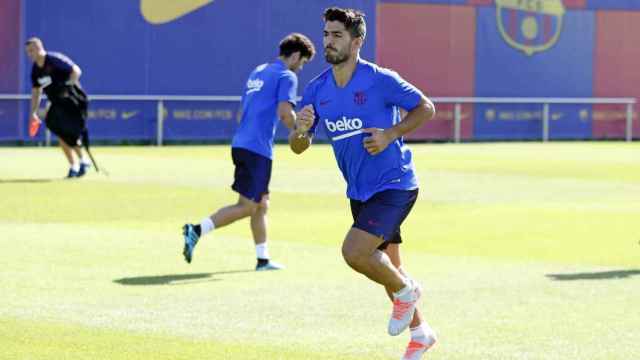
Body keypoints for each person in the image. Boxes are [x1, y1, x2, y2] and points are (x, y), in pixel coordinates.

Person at [289, 8, 437, 359]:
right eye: (326, 34)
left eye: (337, 35)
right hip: (360, 191)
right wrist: (299, 130)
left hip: (396, 184)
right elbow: (299, 147)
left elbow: (425, 108)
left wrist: (390, 134)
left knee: (356, 252)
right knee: (387, 265)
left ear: (357, 42)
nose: (329, 41)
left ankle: (408, 291)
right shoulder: (316, 89)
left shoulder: (379, 79)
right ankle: (420, 333)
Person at [182, 33, 316, 271]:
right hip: (258, 149)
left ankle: (262, 259)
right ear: (296, 56)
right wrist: (301, 130)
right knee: (248, 206)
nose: (300, 68)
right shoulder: (287, 76)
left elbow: (240, 111)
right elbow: (286, 113)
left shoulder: (259, 71)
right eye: (303, 63)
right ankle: (197, 230)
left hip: (242, 143)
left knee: (261, 204)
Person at [26, 37, 91, 178]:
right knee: (59, 131)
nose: (29, 54)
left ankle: (82, 161)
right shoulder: (36, 71)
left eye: (31, 50)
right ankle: (76, 164)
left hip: (72, 101)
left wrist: (67, 86)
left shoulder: (54, 60)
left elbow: (76, 71)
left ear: (38, 48)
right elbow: (36, 91)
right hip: (57, 103)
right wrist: (33, 113)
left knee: (70, 133)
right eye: (27, 52)